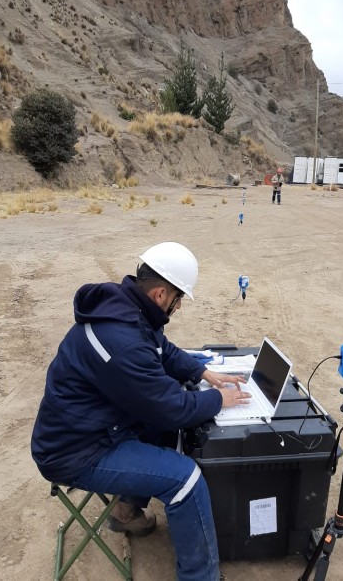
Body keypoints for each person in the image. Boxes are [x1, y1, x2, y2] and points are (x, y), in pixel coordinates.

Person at [31, 241, 251, 581]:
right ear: (161, 294)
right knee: (186, 479)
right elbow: (173, 408)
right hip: (76, 452)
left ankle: (125, 512)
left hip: (90, 426)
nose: (179, 306)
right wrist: (219, 399)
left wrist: (202, 373)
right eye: (178, 298)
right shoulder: (124, 340)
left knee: (164, 429)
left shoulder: (124, 309)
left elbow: (162, 349)